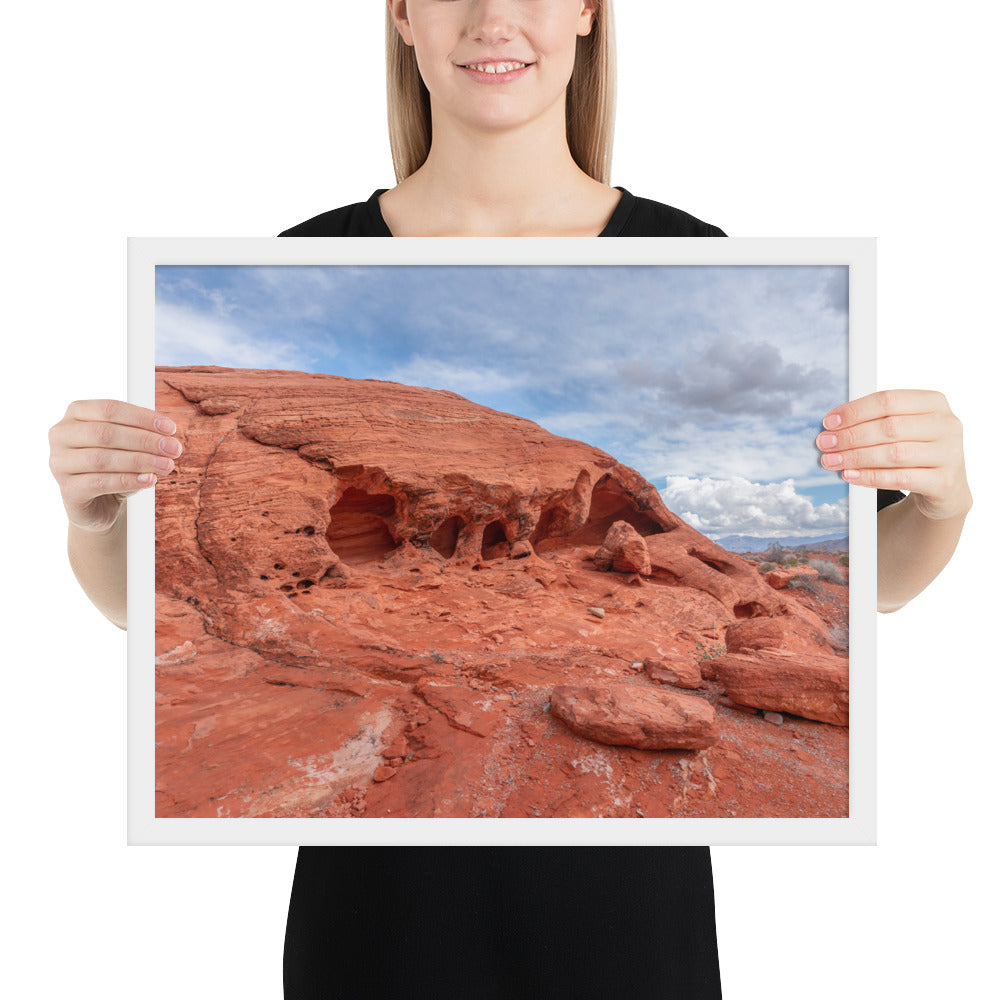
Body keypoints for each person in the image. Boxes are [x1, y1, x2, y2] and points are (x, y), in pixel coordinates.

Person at [47, 2, 972, 997]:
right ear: (402, 15)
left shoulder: (690, 243)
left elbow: (875, 592)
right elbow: (139, 609)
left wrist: (942, 501)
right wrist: (93, 514)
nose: (495, 17)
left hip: (628, 937)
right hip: (373, 935)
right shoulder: (311, 244)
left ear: (586, 14)